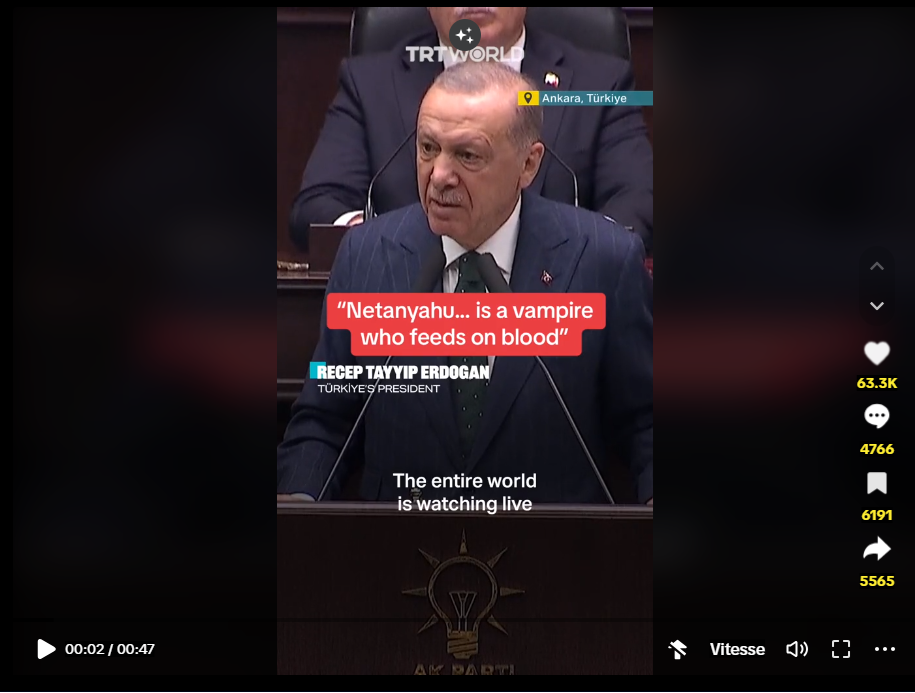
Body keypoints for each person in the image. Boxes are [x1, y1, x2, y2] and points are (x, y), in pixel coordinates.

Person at [277, 60, 652, 505]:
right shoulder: (366, 256)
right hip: (395, 540)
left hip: (554, 542)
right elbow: (325, 420)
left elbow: (645, 420)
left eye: (468, 155)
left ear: (528, 164)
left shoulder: (603, 260)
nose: (439, 175)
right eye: (428, 148)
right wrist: (299, 499)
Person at [290, 6, 653, 253]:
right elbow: (318, 205)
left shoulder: (600, 83)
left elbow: (639, 202)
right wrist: (389, 249)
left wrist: (575, 257)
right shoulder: (369, 83)